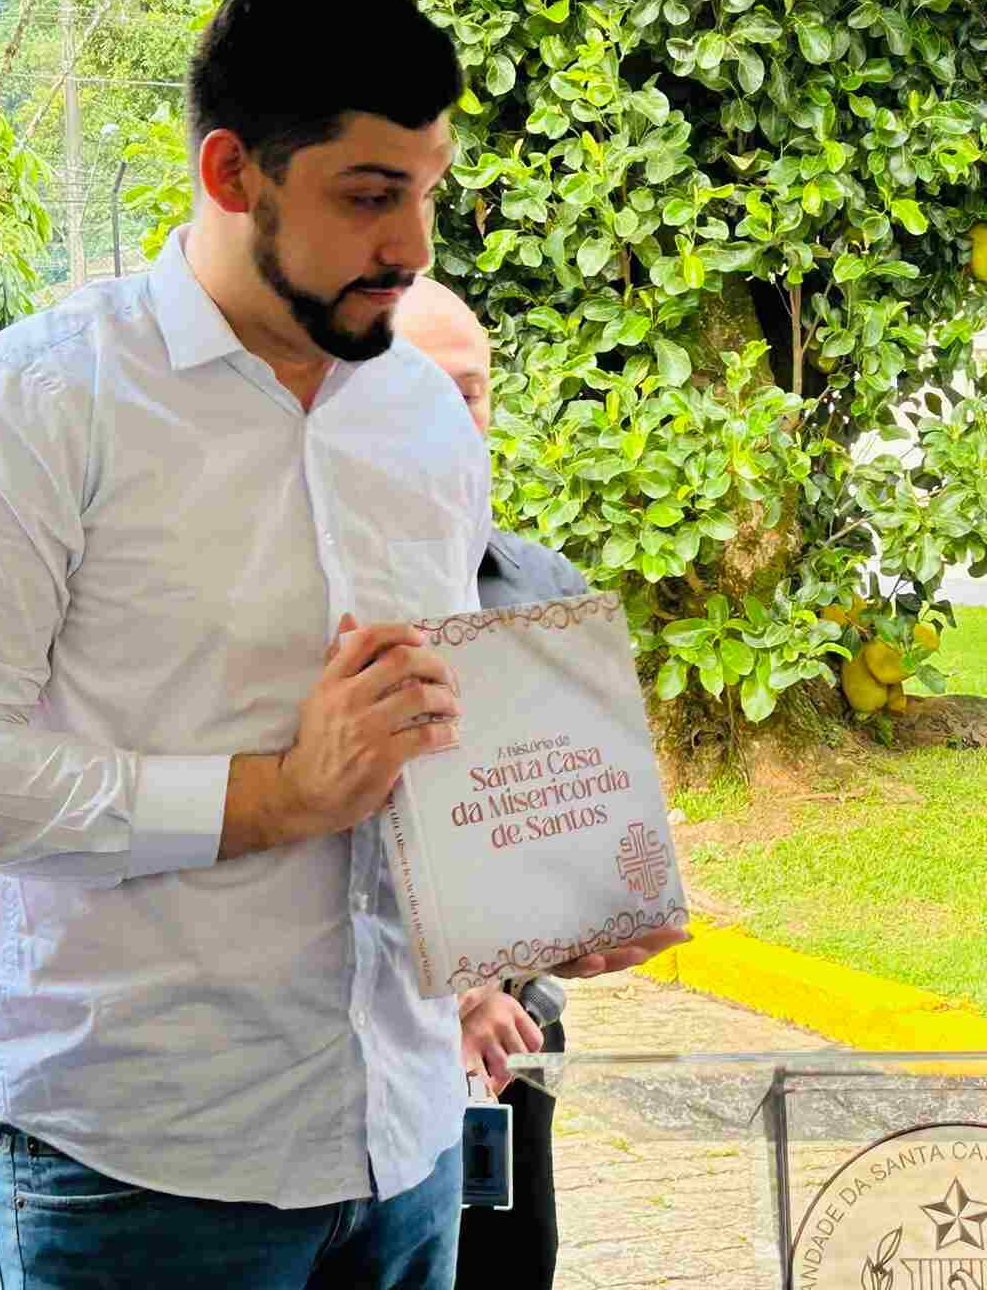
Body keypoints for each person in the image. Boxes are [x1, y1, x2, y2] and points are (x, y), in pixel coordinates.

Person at [0, 0, 479, 1289]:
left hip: (413, 1141)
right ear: (231, 174)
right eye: (370, 195)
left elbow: (424, 727)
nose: (414, 249)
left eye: (428, 191)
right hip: (145, 1173)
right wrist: (275, 796)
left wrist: (538, 902)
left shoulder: (424, 413)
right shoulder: (31, 410)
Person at [397, 276, 662, 1290]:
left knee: (510, 1268)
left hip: (514, 1045)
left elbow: (589, 826)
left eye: (468, 392)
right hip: (350, 1065)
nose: (452, 418)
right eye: (419, 390)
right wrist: (451, 992)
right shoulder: (293, 594)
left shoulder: (540, 591)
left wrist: (613, 911)